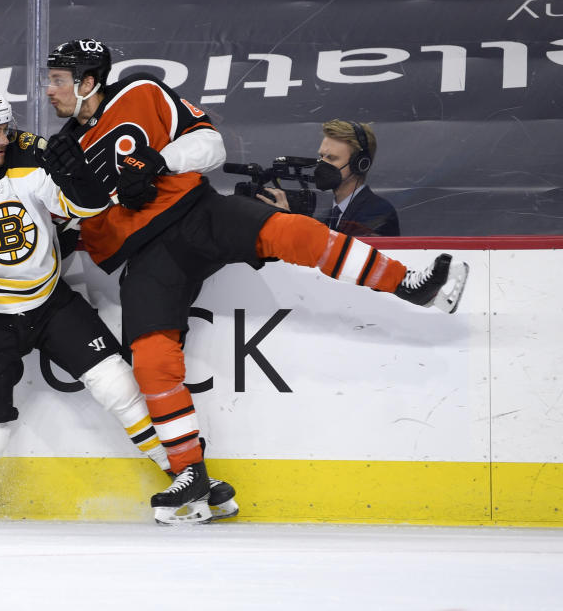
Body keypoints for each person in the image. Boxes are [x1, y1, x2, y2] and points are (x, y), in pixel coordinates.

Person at [42, 38, 469, 525]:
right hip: (146, 257)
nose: (50, 90)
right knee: (153, 361)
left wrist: (160, 163)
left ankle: (411, 284)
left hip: (200, 213)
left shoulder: (143, 92)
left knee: (295, 233)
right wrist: (83, 199)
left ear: (88, 81)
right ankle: (191, 477)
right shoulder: (60, 156)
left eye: (58, 79)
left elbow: (210, 145)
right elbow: (70, 225)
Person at [0, 85, 238, 521]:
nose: (5, 138)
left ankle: (184, 476)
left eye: (6, 127)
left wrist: (79, 178)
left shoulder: (29, 152)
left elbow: (81, 208)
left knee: (119, 384)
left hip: (49, 301)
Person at [262, 119, 399, 236]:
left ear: (360, 164)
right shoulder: (326, 217)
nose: (322, 165)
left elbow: (342, 255)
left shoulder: (378, 213)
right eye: (321, 157)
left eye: (332, 158)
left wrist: (290, 225)